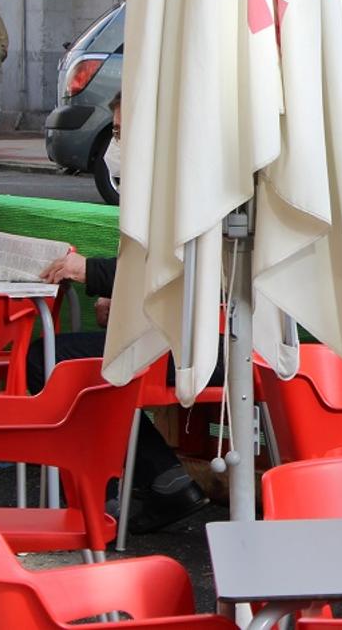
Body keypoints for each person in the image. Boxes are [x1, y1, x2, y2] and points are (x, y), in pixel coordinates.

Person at [32, 95, 209, 533]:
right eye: (113, 133)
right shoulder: (175, 188)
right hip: (193, 336)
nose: (115, 145)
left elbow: (177, 269)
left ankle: (118, 488)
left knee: (48, 359)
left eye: (120, 132)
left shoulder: (181, 196)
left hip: (197, 345)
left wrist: (87, 270)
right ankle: (160, 480)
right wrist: (124, 300)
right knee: (84, 359)